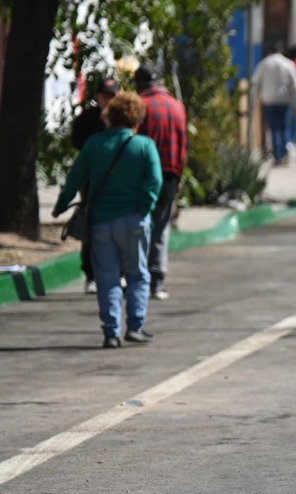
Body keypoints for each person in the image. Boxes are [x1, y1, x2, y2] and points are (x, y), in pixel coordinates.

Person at [53, 91, 162, 348]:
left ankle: (111, 332)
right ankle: (135, 326)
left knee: (107, 277)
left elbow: (75, 178)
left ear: (109, 116)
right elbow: (155, 181)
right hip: (134, 222)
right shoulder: (144, 145)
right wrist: (143, 207)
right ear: (137, 118)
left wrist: (60, 206)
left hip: (101, 222)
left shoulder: (94, 144)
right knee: (137, 275)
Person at [133, 64, 187, 303]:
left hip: (143, 174)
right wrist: (180, 177)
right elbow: (183, 146)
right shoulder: (177, 105)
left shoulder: (139, 105)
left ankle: (137, 276)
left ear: (139, 83)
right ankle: (157, 280)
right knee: (161, 226)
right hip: (170, 174)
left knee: (139, 222)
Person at [70, 76, 119, 294]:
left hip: (118, 181)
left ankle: (119, 273)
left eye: (112, 95)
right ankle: (91, 275)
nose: (108, 100)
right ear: (97, 96)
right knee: (90, 224)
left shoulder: (123, 119)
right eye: (104, 95)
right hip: (92, 181)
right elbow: (77, 141)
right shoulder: (88, 118)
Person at [252, 44, 296, 165]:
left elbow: (255, 82)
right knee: (285, 127)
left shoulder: (264, 63)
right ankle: (284, 154)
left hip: (269, 99)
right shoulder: (288, 64)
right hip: (285, 100)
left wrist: (255, 99)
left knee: (273, 128)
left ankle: (277, 155)